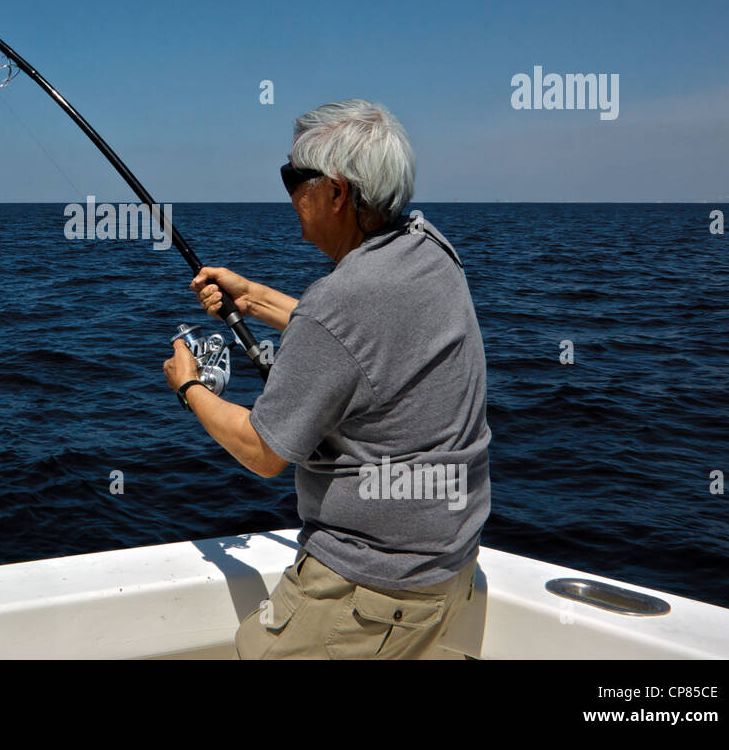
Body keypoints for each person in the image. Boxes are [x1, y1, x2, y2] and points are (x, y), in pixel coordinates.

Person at [162, 99, 490, 659]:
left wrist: (188, 387)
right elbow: (366, 343)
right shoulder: (432, 248)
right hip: (449, 566)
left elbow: (264, 451)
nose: (289, 194)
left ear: (337, 193)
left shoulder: (338, 303)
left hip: (367, 591)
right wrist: (256, 298)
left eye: (294, 178)